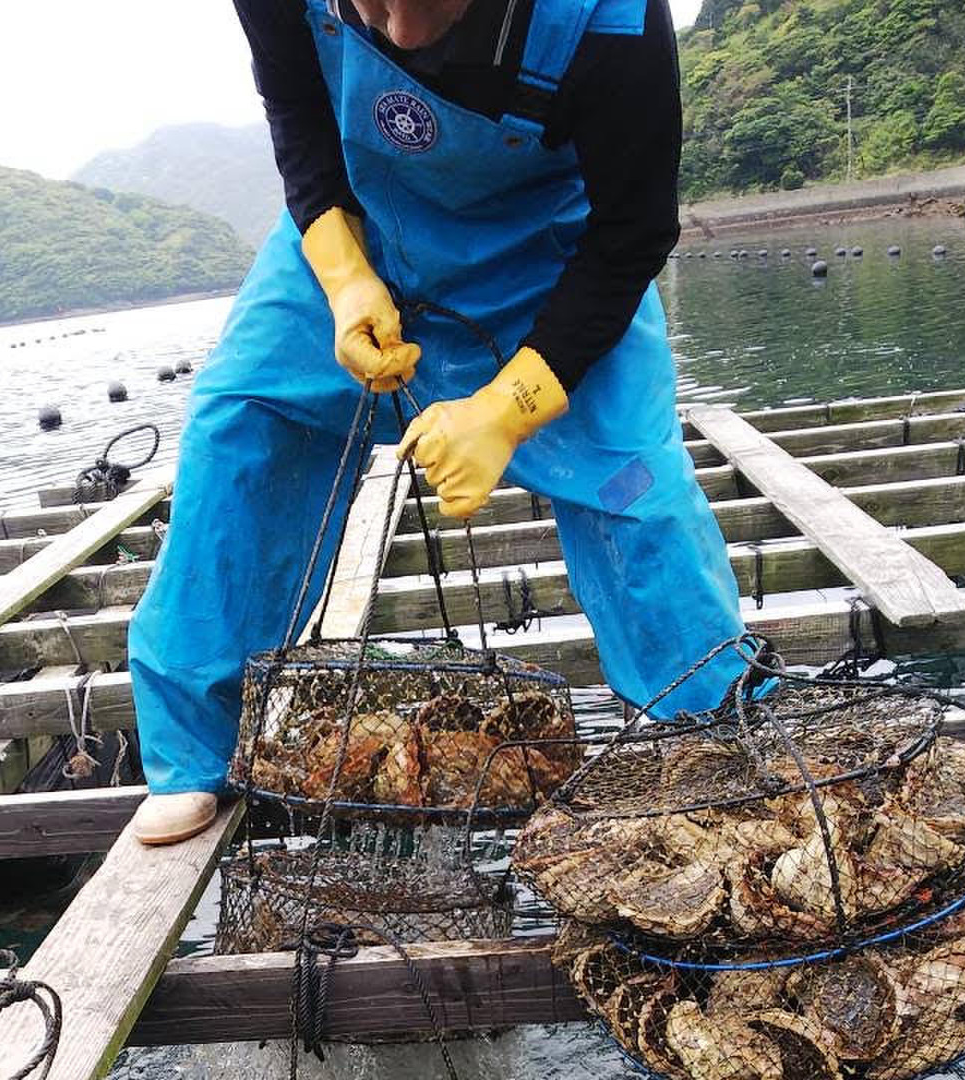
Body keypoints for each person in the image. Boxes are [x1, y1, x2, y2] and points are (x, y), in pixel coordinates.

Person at [127, 0, 749, 845]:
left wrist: (507, 406)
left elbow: (631, 233)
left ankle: (709, 735)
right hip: (360, 235)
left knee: (638, 492)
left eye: (427, 0)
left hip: (549, 259)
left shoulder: (611, 18)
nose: (399, 31)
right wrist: (344, 278)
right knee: (242, 424)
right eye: (372, 2)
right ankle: (194, 751)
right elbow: (300, 118)